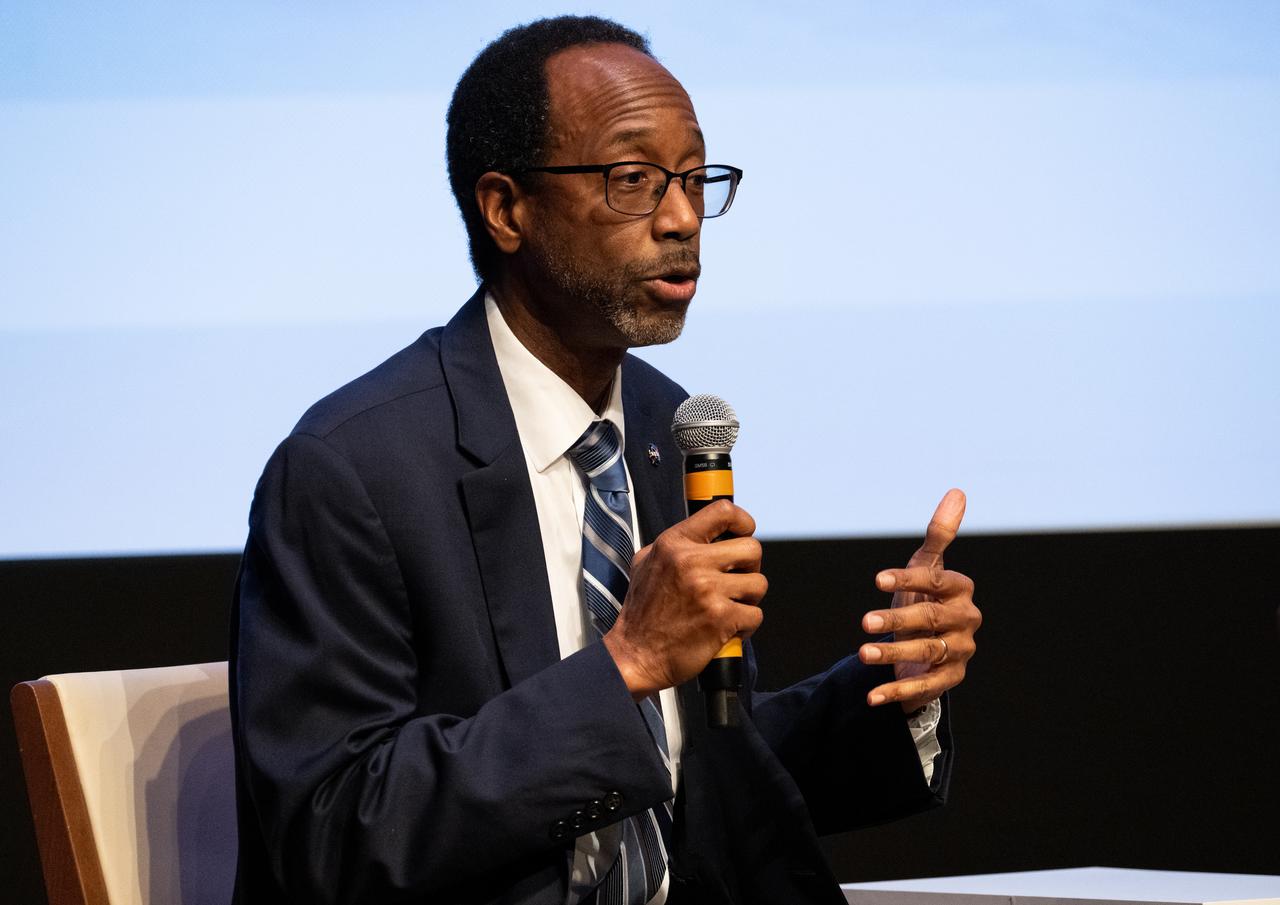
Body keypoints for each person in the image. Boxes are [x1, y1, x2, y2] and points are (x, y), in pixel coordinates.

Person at [230, 15, 982, 905]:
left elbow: (706, 767)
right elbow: (332, 830)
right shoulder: (353, 468)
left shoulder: (670, 426)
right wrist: (623, 663)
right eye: (634, 181)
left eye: (697, 177)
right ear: (507, 209)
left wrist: (892, 689)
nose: (683, 217)